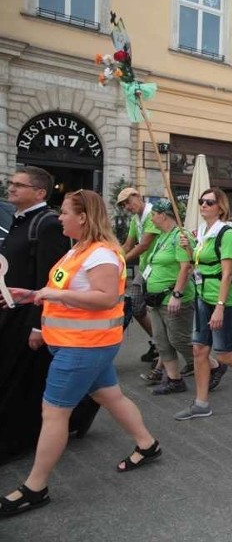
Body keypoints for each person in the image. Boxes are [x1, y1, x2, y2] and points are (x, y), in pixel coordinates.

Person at [0, 190, 160, 518]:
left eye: (65, 213)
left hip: (85, 347)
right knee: (111, 396)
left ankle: (35, 487)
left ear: (83, 217)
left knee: (54, 413)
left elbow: (103, 298)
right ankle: (148, 444)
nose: (59, 218)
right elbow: (68, 292)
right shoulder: (79, 250)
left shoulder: (100, 254)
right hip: (80, 344)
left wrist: (48, 293)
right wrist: (33, 295)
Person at [174, 187, 232, 421]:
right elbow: (198, 265)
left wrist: (219, 306)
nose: (204, 206)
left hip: (224, 301)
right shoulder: (204, 233)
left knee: (225, 354)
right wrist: (189, 247)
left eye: (209, 202)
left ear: (221, 207)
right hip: (202, 296)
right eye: (201, 201)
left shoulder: (226, 233)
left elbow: (227, 274)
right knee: (199, 350)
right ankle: (201, 403)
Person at [0, 167, 71, 463]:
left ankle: (15, 441)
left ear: (40, 193)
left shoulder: (47, 224)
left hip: (28, 316)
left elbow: (50, 279)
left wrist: (38, 326)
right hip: (10, 312)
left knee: (18, 380)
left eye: (19, 185)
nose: (11, 188)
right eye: (11, 183)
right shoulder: (19, 221)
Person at [143, 199, 195, 395]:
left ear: (163, 215)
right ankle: (174, 379)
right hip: (156, 299)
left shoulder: (180, 236)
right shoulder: (162, 237)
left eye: (153, 214)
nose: (151, 218)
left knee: (179, 339)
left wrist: (177, 294)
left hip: (171, 298)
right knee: (161, 340)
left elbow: (186, 267)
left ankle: (212, 365)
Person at [116, 187, 160, 364]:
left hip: (158, 268)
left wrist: (121, 261)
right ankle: (157, 343)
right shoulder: (136, 219)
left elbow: (143, 245)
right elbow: (127, 244)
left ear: (138, 196)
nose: (126, 207)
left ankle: (165, 349)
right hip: (146, 268)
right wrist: (112, 256)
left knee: (160, 312)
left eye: (127, 202)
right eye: (123, 205)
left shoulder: (153, 214)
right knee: (136, 305)